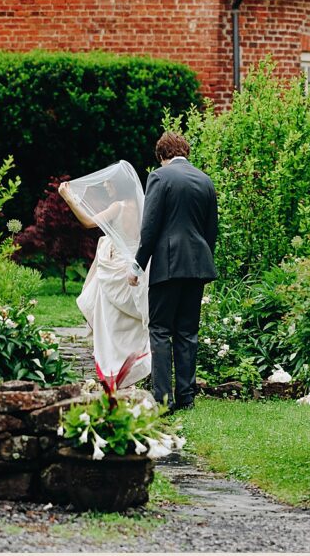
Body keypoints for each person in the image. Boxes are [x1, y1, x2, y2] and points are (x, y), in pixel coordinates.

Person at [128, 132, 218, 412]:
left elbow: (150, 226)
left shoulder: (159, 177)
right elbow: (210, 230)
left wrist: (138, 265)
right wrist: (203, 259)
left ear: (162, 155)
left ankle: (163, 399)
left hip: (168, 264)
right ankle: (187, 399)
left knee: (160, 329)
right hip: (198, 264)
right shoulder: (205, 180)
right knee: (188, 332)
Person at [58, 161, 151, 388]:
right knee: (130, 326)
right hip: (135, 270)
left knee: (110, 325)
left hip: (114, 271)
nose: (107, 186)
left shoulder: (118, 206)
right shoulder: (143, 206)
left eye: (109, 183)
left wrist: (69, 198)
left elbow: (88, 221)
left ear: (119, 185)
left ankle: (113, 372)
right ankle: (130, 368)